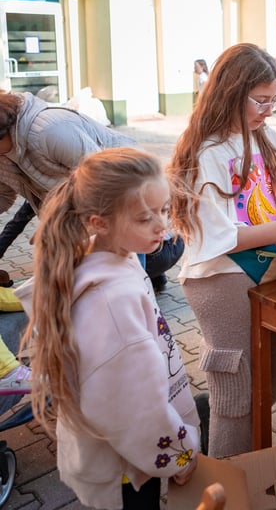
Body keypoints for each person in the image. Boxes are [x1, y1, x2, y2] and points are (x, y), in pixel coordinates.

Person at [16, 148, 201, 509]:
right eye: (145, 218)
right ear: (99, 222)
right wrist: (182, 455)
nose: (163, 226)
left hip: (123, 459)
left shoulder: (113, 255)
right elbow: (134, 410)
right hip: (129, 470)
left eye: (164, 210)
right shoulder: (112, 300)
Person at [169, 43, 276, 458]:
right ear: (229, 93)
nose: (270, 108)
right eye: (261, 99)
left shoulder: (267, 136)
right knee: (236, 395)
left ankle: (236, 441)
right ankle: (226, 479)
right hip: (220, 282)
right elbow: (217, 235)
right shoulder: (208, 150)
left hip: (268, 269)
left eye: (274, 98)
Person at [0, 91, 134, 217]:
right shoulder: (3, 156)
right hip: (81, 213)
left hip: (129, 189)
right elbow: (4, 195)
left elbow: (103, 180)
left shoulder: (49, 131)